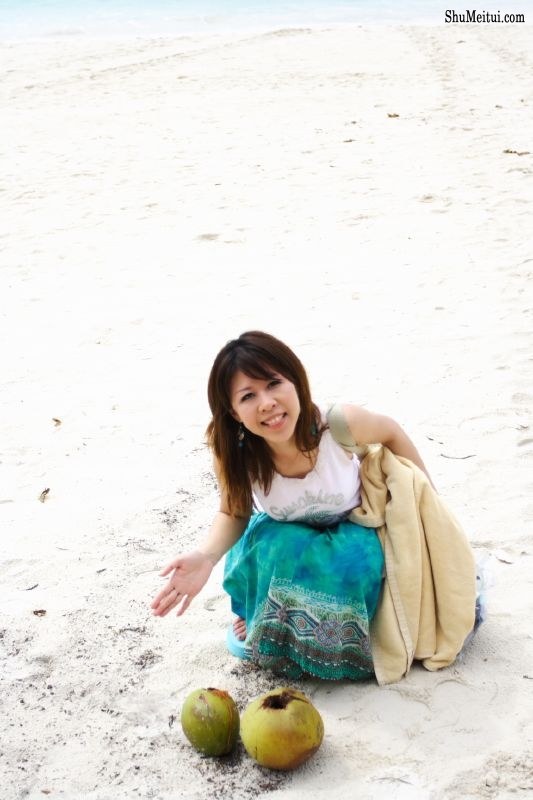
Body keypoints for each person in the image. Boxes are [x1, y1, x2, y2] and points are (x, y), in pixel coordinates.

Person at [151, 331, 437, 680]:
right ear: (234, 412)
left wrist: (429, 504)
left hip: (351, 530)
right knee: (271, 545)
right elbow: (234, 512)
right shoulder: (236, 454)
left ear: (296, 381)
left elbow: (391, 432)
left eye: (274, 384)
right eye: (248, 396)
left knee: (353, 560)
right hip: (286, 535)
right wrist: (206, 557)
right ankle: (266, 616)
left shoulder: (339, 425)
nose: (267, 403)